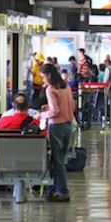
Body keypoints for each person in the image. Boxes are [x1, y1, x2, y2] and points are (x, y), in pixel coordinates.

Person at [33, 64, 75, 202]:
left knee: (57, 161)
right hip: (68, 124)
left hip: (56, 126)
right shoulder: (66, 86)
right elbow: (71, 105)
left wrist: (41, 115)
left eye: (43, 77)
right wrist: (49, 108)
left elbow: (55, 112)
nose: (43, 80)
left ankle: (62, 191)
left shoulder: (50, 90)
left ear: (49, 75)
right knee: (61, 159)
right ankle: (56, 188)